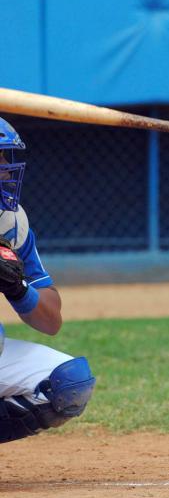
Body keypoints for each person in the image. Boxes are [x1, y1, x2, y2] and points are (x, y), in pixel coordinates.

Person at [0, 117, 95, 444]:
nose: (5, 171)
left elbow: (51, 320)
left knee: (70, 384)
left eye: (5, 160)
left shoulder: (11, 223)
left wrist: (18, 288)